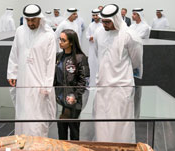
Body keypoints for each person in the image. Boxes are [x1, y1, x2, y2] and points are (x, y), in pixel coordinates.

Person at [93, 4, 143, 143]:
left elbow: (136, 61)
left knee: (121, 124)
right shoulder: (98, 33)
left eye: (107, 22)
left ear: (116, 19)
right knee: (102, 123)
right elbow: (99, 54)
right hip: (103, 85)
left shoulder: (129, 35)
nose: (104, 24)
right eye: (103, 21)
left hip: (122, 86)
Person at [7, 4, 56, 137]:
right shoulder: (20, 31)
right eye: (27, 20)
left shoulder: (49, 35)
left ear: (40, 19)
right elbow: (14, 53)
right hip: (23, 82)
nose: (30, 23)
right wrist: (12, 73)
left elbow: (51, 63)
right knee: (23, 116)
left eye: (33, 20)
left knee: (37, 120)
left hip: (39, 85)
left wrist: (47, 85)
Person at [54, 29, 89, 140]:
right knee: (61, 129)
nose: (60, 42)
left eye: (63, 40)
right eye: (60, 39)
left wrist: (75, 95)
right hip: (59, 100)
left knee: (74, 129)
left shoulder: (80, 58)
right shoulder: (58, 57)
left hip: (74, 101)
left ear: (71, 42)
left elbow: (84, 81)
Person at [86, 9, 102, 86]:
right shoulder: (90, 25)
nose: (95, 17)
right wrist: (90, 37)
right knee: (92, 65)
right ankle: (92, 83)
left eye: (96, 15)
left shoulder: (102, 25)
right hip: (92, 48)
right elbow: (87, 35)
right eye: (94, 15)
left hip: (100, 49)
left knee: (100, 64)